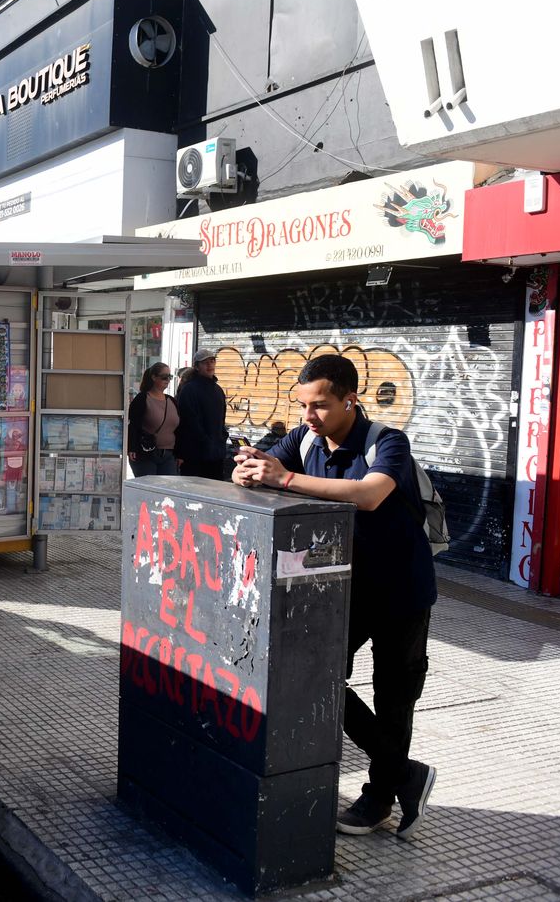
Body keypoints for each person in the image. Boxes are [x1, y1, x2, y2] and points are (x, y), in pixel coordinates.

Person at [230, 354, 437, 840]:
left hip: (402, 590)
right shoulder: (304, 438)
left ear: (351, 399)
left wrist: (281, 478)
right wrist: (246, 469)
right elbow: (255, 457)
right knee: (316, 678)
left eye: (320, 406)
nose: (308, 416)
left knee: (394, 697)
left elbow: (369, 495)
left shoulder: (387, 441)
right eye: (303, 405)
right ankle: (407, 774)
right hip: (342, 588)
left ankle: (380, 798)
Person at [175, 349, 228, 480]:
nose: (209, 365)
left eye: (212, 361)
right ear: (197, 366)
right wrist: (206, 441)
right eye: (205, 362)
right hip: (195, 454)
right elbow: (189, 421)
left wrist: (222, 438)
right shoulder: (189, 389)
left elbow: (221, 419)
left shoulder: (218, 390)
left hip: (216, 454)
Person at [126, 363, 180, 477]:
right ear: (154, 377)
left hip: (169, 454)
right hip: (146, 452)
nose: (167, 380)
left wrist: (180, 454)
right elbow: (134, 425)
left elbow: (179, 429)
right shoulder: (142, 399)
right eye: (164, 377)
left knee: (168, 490)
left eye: (169, 377)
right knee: (149, 491)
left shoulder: (172, 401)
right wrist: (132, 448)